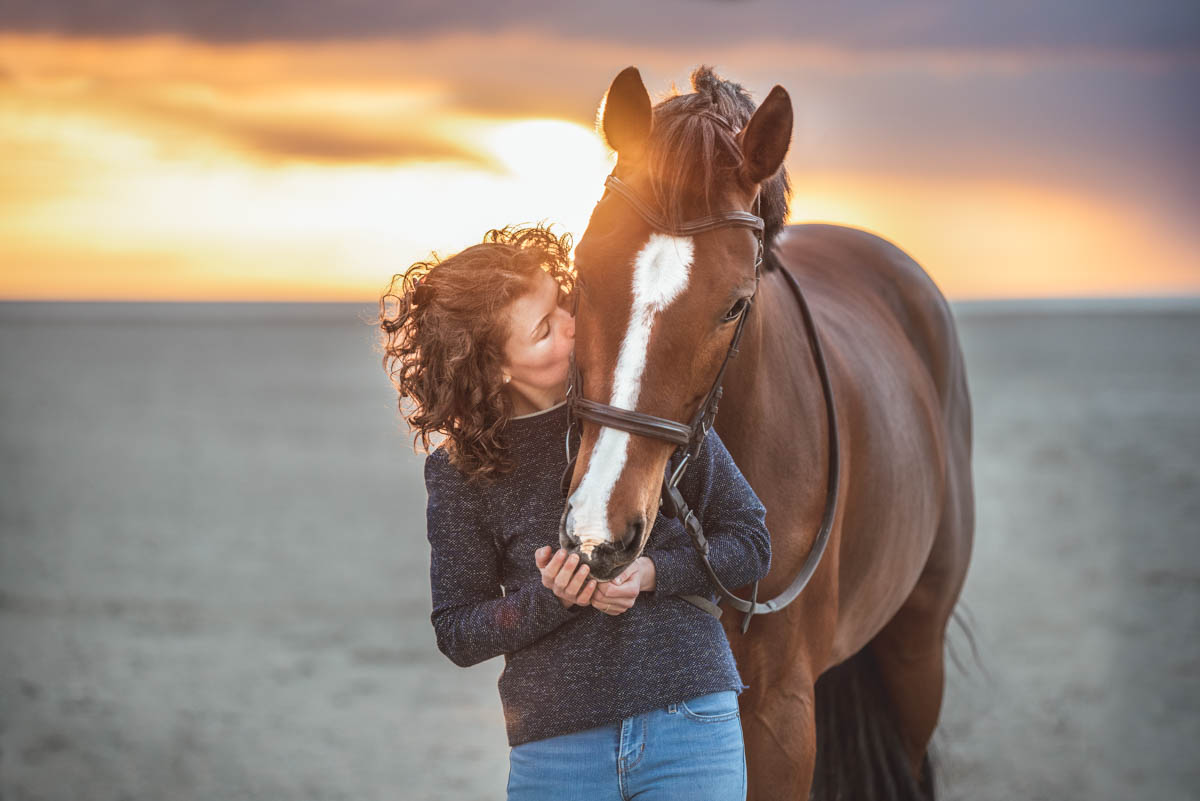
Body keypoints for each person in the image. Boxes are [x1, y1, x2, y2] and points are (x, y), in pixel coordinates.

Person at [379, 225, 771, 801]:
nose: (571, 322)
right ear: (494, 371)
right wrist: (552, 600)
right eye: (544, 330)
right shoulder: (461, 474)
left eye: (562, 303)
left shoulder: (641, 401)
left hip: (691, 724)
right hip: (556, 754)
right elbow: (458, 631)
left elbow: (752, 540)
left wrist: (654, 574)